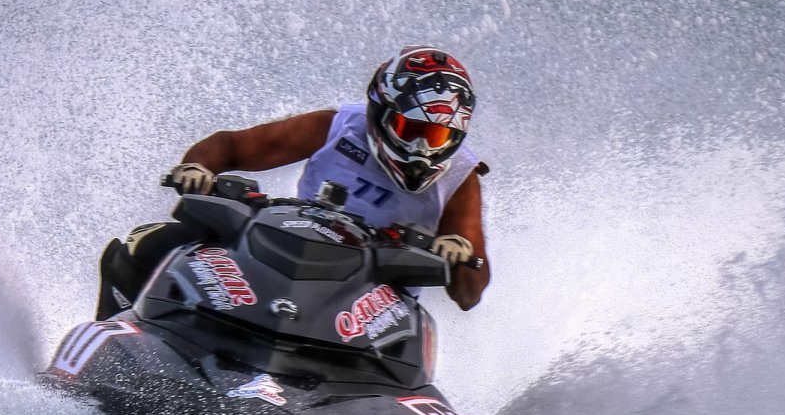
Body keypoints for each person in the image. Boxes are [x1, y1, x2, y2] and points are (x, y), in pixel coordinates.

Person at [96, 46, 490, 317]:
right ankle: (113, 343)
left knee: (413, 335)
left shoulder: (460, 177)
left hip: (377, 303)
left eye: (437, 136)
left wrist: (458, 255)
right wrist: (199, 168)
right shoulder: (334, 128)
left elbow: (470, 294)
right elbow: (231, 146)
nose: (422, 148)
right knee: (151, 243)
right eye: (410, 128)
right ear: (380, 113)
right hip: (288, 261)